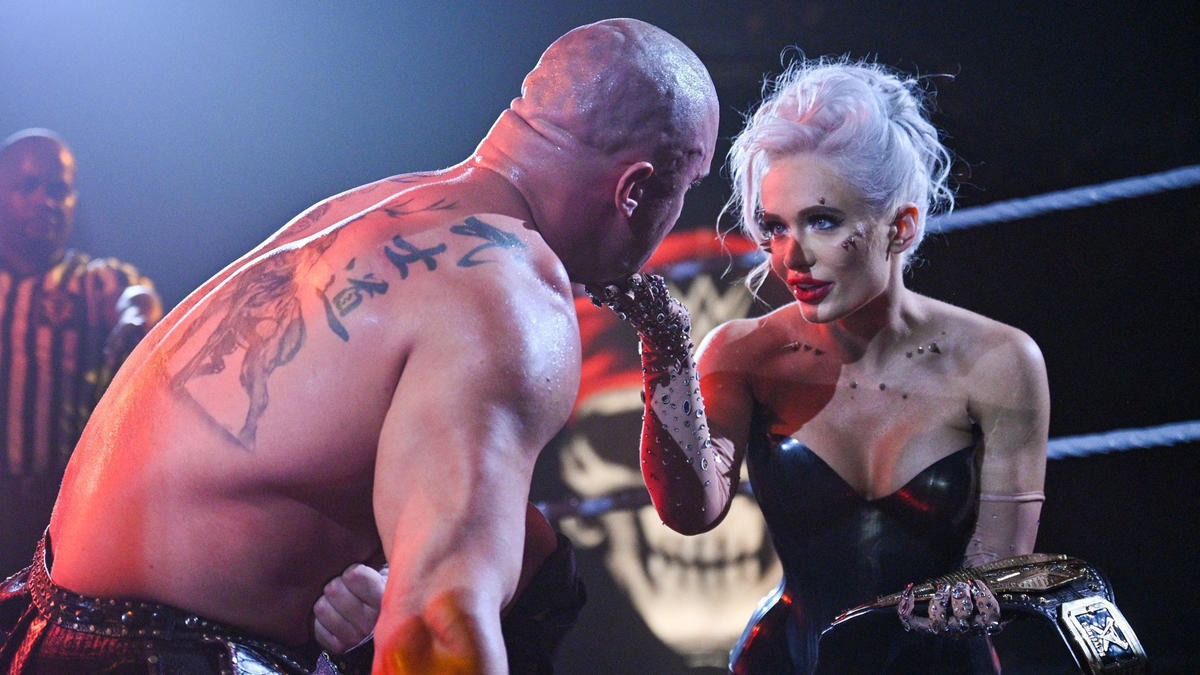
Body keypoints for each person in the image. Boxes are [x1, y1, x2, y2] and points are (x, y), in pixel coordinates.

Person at [0, 17, 719, 674]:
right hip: (165, 654)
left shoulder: (374, 207)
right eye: (685, 190)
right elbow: (437, 626)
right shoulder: (509, 292)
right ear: (636, 189)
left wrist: (371, 572)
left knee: (532, 549)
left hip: (42, 624)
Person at [588, 58, 1049, 673]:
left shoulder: (1000, 360)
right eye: (774, 227)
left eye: (822, 221)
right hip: (788, 660)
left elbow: (1003, 566)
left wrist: (975, 596)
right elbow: (691, 514)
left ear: (901, 227)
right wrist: (667, 350)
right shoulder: (742, 353)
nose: (792, 257)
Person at [0, 129, 162, 575]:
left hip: (65, 507)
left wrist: (136, 321)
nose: (45, 201)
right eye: (27, 186)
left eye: (59, 189)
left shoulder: (92, 282)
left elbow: (136, 296)